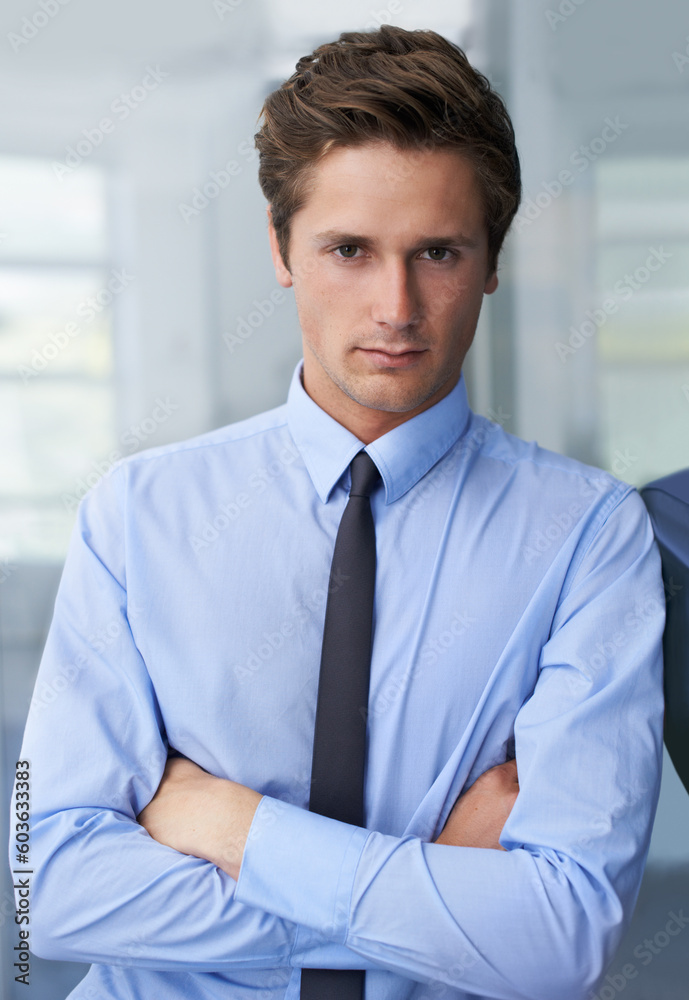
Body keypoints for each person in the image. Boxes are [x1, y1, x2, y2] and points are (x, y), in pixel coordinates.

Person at [12, 25, 664, 1000]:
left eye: (436, 251)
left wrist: (236, 829)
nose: (394, 306)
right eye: (348, 250)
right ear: (280, 248)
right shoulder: (138, 516)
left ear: (490, 260)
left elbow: (558, 938)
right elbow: (45, 891)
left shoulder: (585, 536)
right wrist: (434, 888)